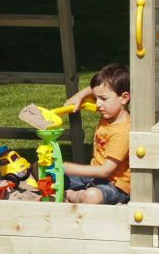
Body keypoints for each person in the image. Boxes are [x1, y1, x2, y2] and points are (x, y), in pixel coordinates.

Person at [56, 63, 132, 205]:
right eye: (96, 98)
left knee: (91, 196)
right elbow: (94, 89)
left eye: (103, 99)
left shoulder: (123, 131)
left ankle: (70, 195)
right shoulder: (109, 112)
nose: (97, 104)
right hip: (93, 178)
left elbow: (105, 171)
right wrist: (79, 96)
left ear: (124, 98)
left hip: (115, 186)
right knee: (48, 173)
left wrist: (69, 168)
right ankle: (71, 193)